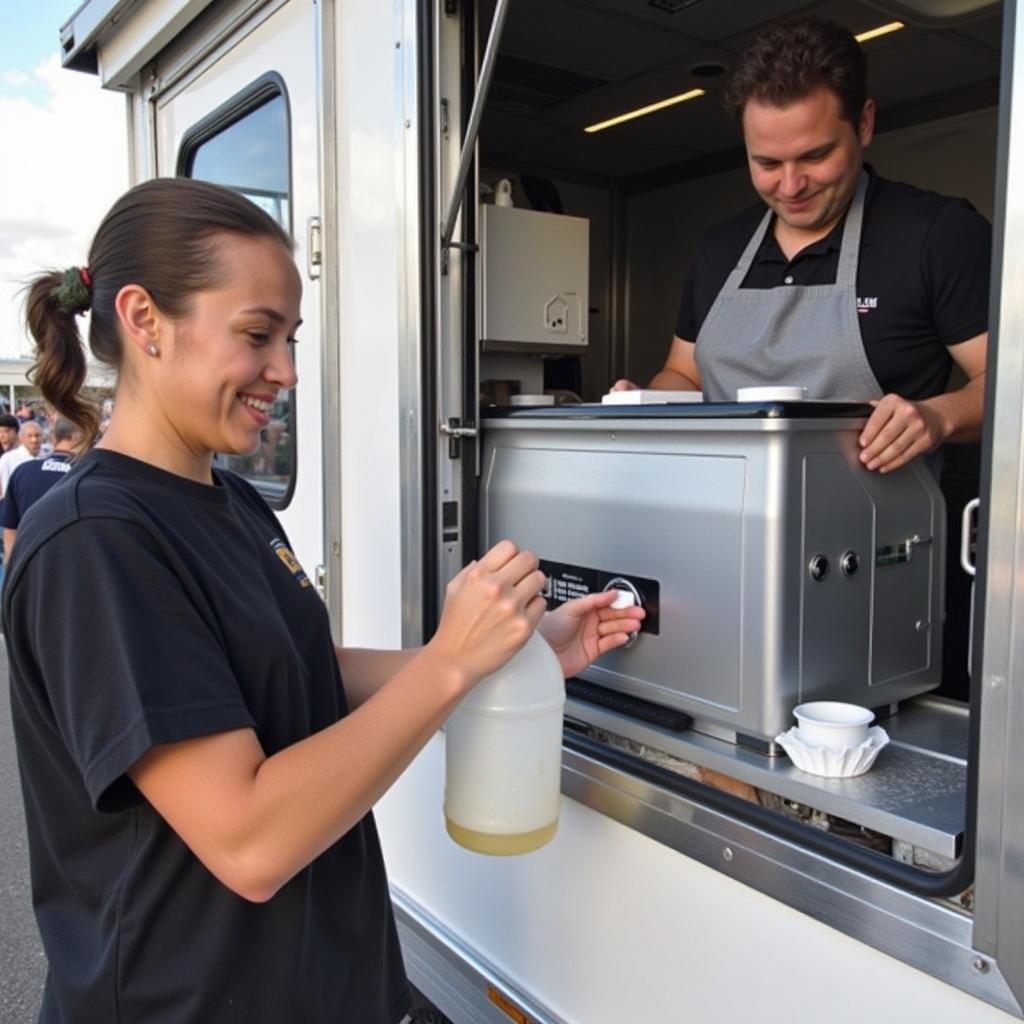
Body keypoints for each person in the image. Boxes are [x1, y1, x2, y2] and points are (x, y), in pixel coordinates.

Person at [4, 177, 644, 1024]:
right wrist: (449, 665)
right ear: (144, 319)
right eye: (257, 335)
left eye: (292, 338)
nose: (287, 370)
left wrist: (509, 656)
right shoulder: (94, 541)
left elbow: (294, 672)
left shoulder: (230, 503)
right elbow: (249, 839)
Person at [612, 16, 989, 477]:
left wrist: (938, 416)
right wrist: (648, 400)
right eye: (767, 162)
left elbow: (1010, 388)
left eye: (815, 156)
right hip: (720, 517)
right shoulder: (720, 248)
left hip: (869, 531)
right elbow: (685, 374)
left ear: (865, 123)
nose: (791, 186)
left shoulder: (937, 233)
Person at [2, 417, 82, 560]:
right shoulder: (87, 474)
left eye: (37, 435)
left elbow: (10, 530)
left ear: (52, 438)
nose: (34, 440)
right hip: (69, 565)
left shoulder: (23, 471)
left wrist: (12, 572)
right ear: (78, 437)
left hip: (28, 564)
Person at [0, 419, 43, 495]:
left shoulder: (48, 456)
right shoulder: (8, 459)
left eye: (37, 435)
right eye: (29, 436)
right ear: (21, 438)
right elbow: (5, 491)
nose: (34, 440)